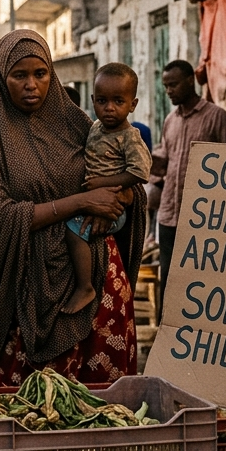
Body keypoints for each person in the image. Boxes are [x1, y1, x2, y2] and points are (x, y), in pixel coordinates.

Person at [0, 31, 146, 390]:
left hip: (98, 282)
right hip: (23, 291)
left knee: (102, 403)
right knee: (32, 406)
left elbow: (127, 180)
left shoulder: (79, 124)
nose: (32, 85)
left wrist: (120, 198)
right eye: (20, 76)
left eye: (41, 74)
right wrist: (79, 203)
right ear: (2, 78)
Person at [62, 63, 152, 314]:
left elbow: (140, 172)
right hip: (95, 200)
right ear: (92, 100)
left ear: (132, 105)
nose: (109, 108)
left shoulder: (129, 136)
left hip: (113, 206)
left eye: (118, 101)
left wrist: (103, 184)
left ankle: (85, 287)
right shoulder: (94, 127)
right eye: (102, 101)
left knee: (73, 230)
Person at [152, 59, 226, 292]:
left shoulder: (217, 117)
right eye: (166, 86)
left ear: (191, 81)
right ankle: (165, 328)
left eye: (174, 85)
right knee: (168, 280)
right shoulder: (170, 120)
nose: (168, 91)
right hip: (169, 215)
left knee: (202, 282)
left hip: (203, 219)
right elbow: (165, 163)